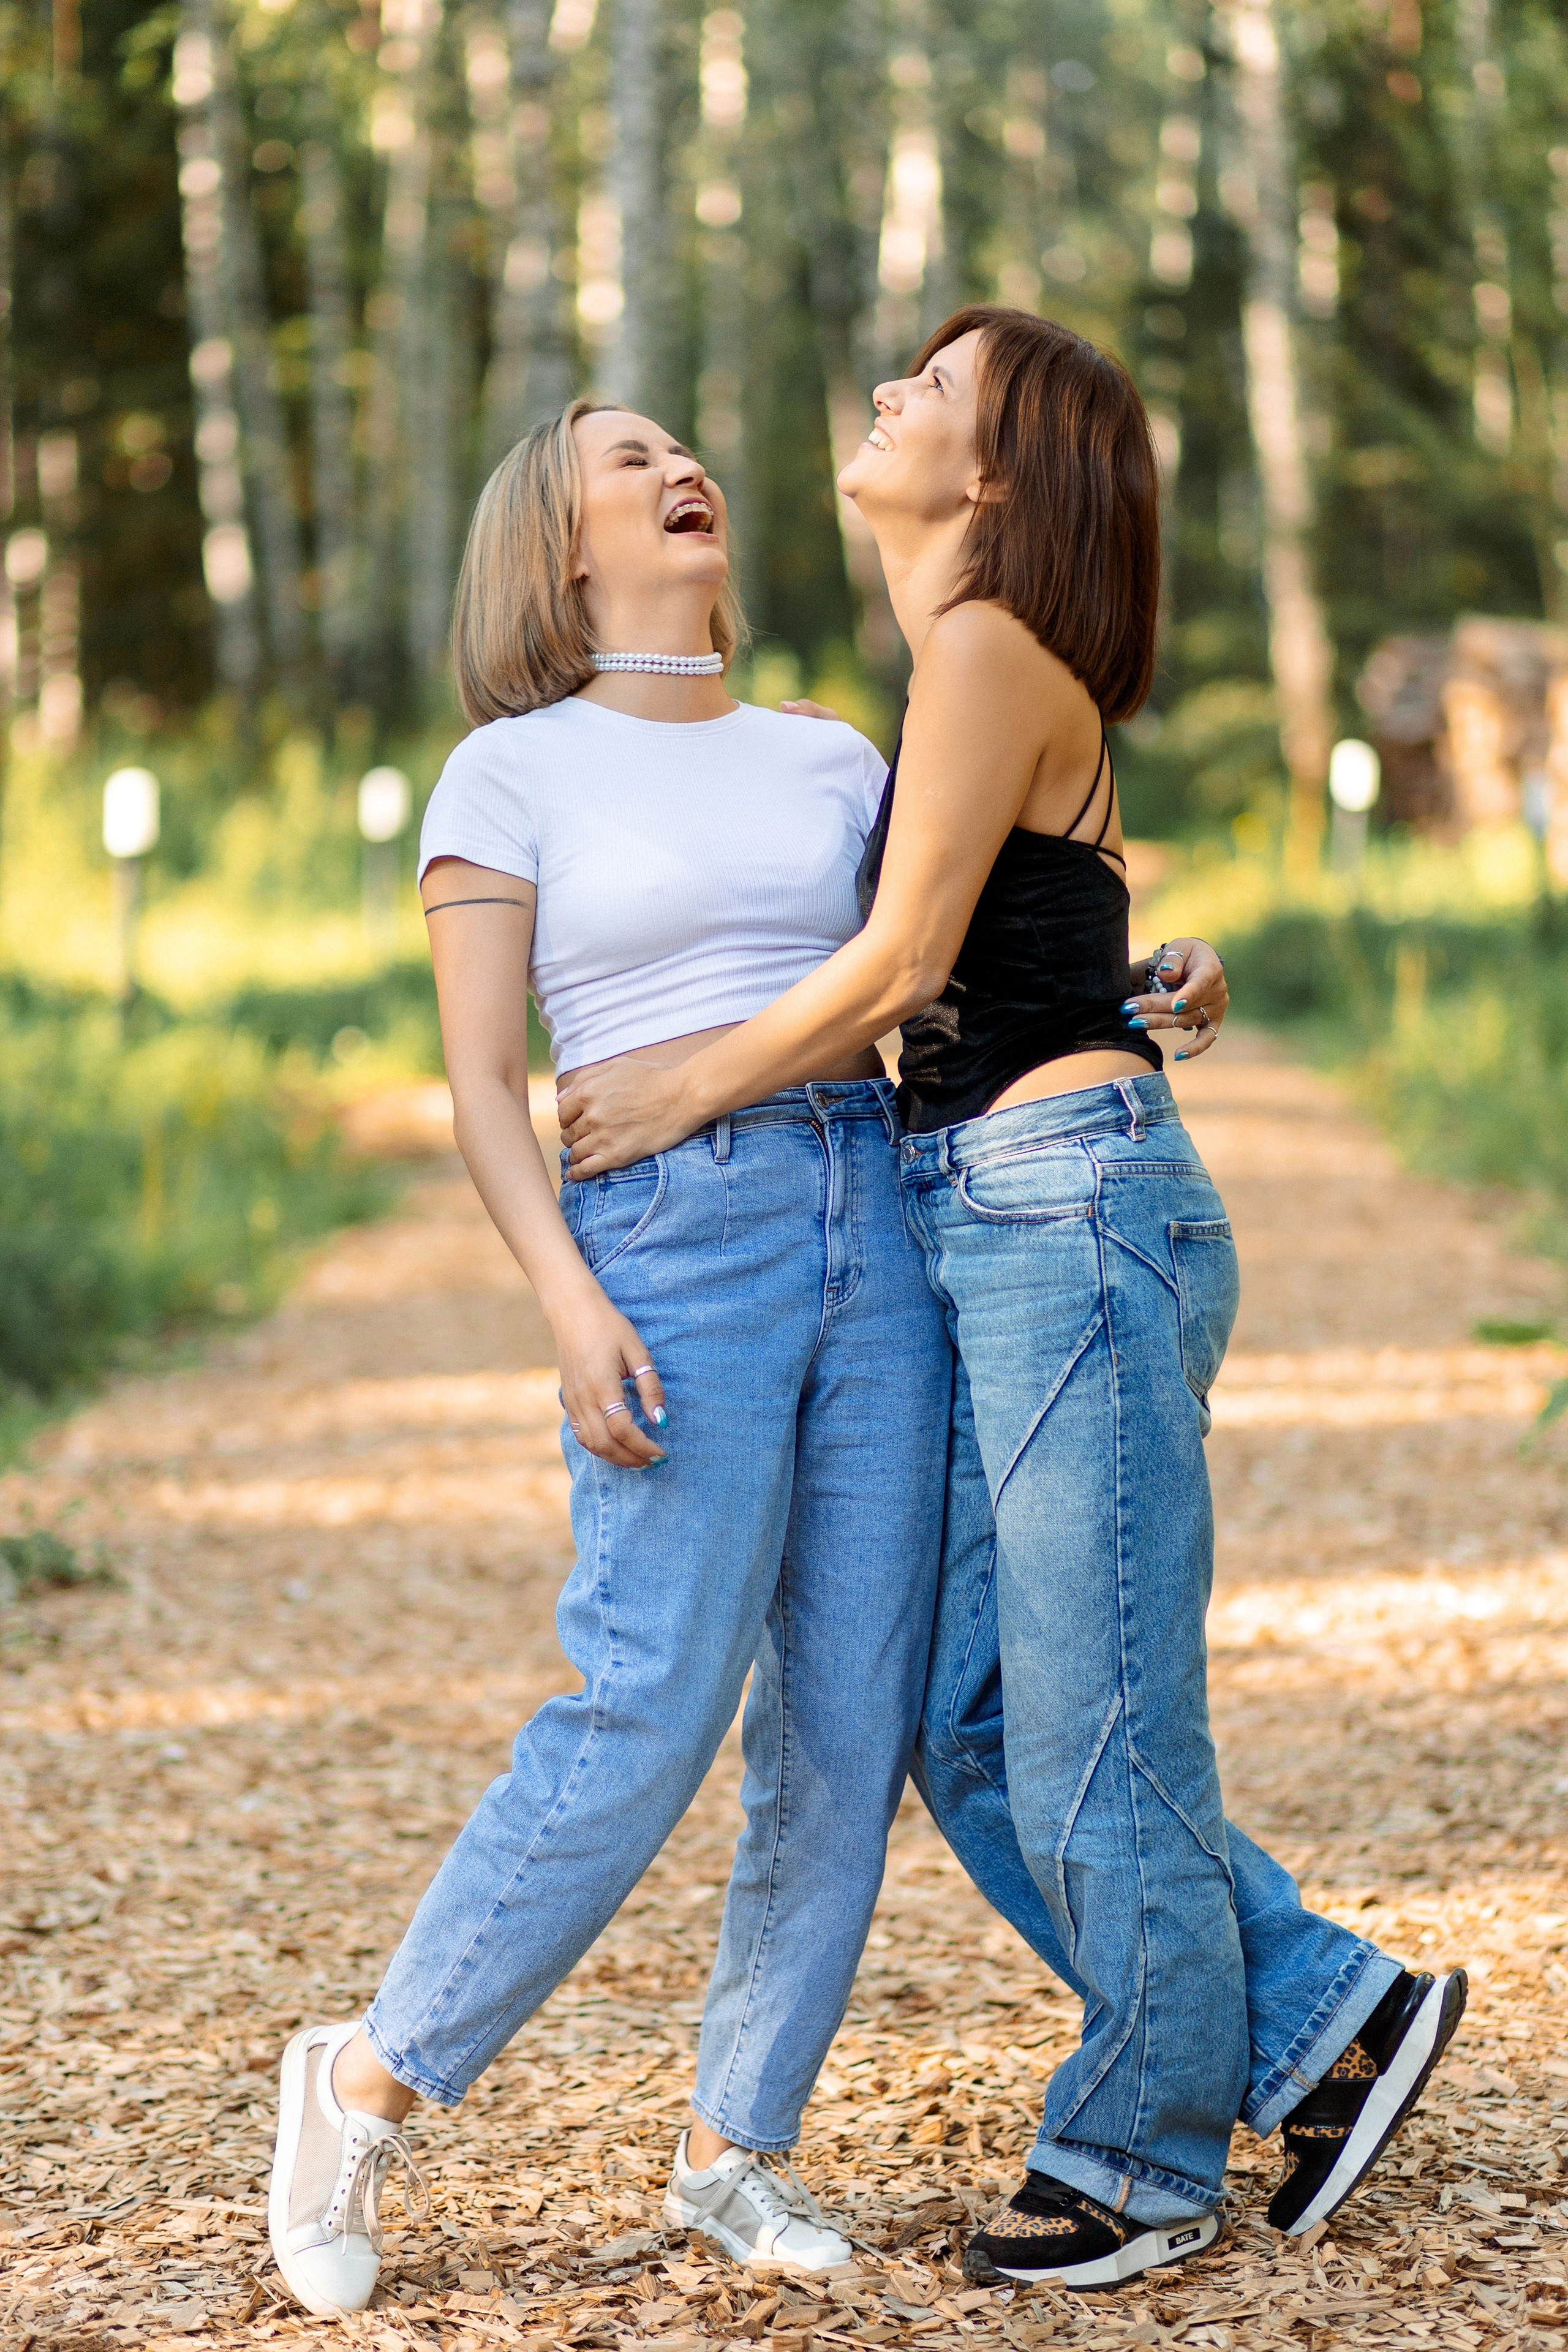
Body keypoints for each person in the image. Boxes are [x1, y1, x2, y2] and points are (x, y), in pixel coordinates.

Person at [264, 394, 1230, 2320]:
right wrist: (567, 1301)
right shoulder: (507, 775)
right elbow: (484, 1086)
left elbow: (939, 952)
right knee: (649, 1699)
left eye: (681, 448)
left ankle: (737, 2142)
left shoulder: (828, 753)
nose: (677, 469)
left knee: (849, 1723)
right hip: (667, 1236)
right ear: (559, 546)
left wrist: (1144, 978)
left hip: (874, 1203)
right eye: (626, 460)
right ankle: (366, 2080)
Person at [557, 308, 1468, 2292]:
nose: (891, 391)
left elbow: (900, 972)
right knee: (968, 1720)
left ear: (993, 477)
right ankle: (1325, 2016)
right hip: (1003, 1214)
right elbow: (1048, 922)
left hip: (1068, 1220)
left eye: (937, 388)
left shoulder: (981, 644)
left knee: (1090, 1725)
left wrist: (673, 1094)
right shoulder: (963, 668)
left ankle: (1143, 2155)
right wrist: (1153, 972)